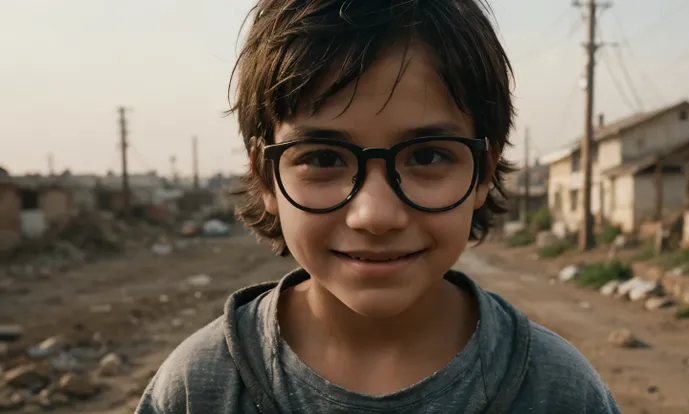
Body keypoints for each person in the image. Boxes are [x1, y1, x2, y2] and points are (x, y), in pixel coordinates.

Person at [136, 1, 621, 412]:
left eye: (428, 156)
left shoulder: (558, 391)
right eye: (323, 158)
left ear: (483, 173)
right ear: (267, 175)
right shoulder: (199, 389)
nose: (375, 215)